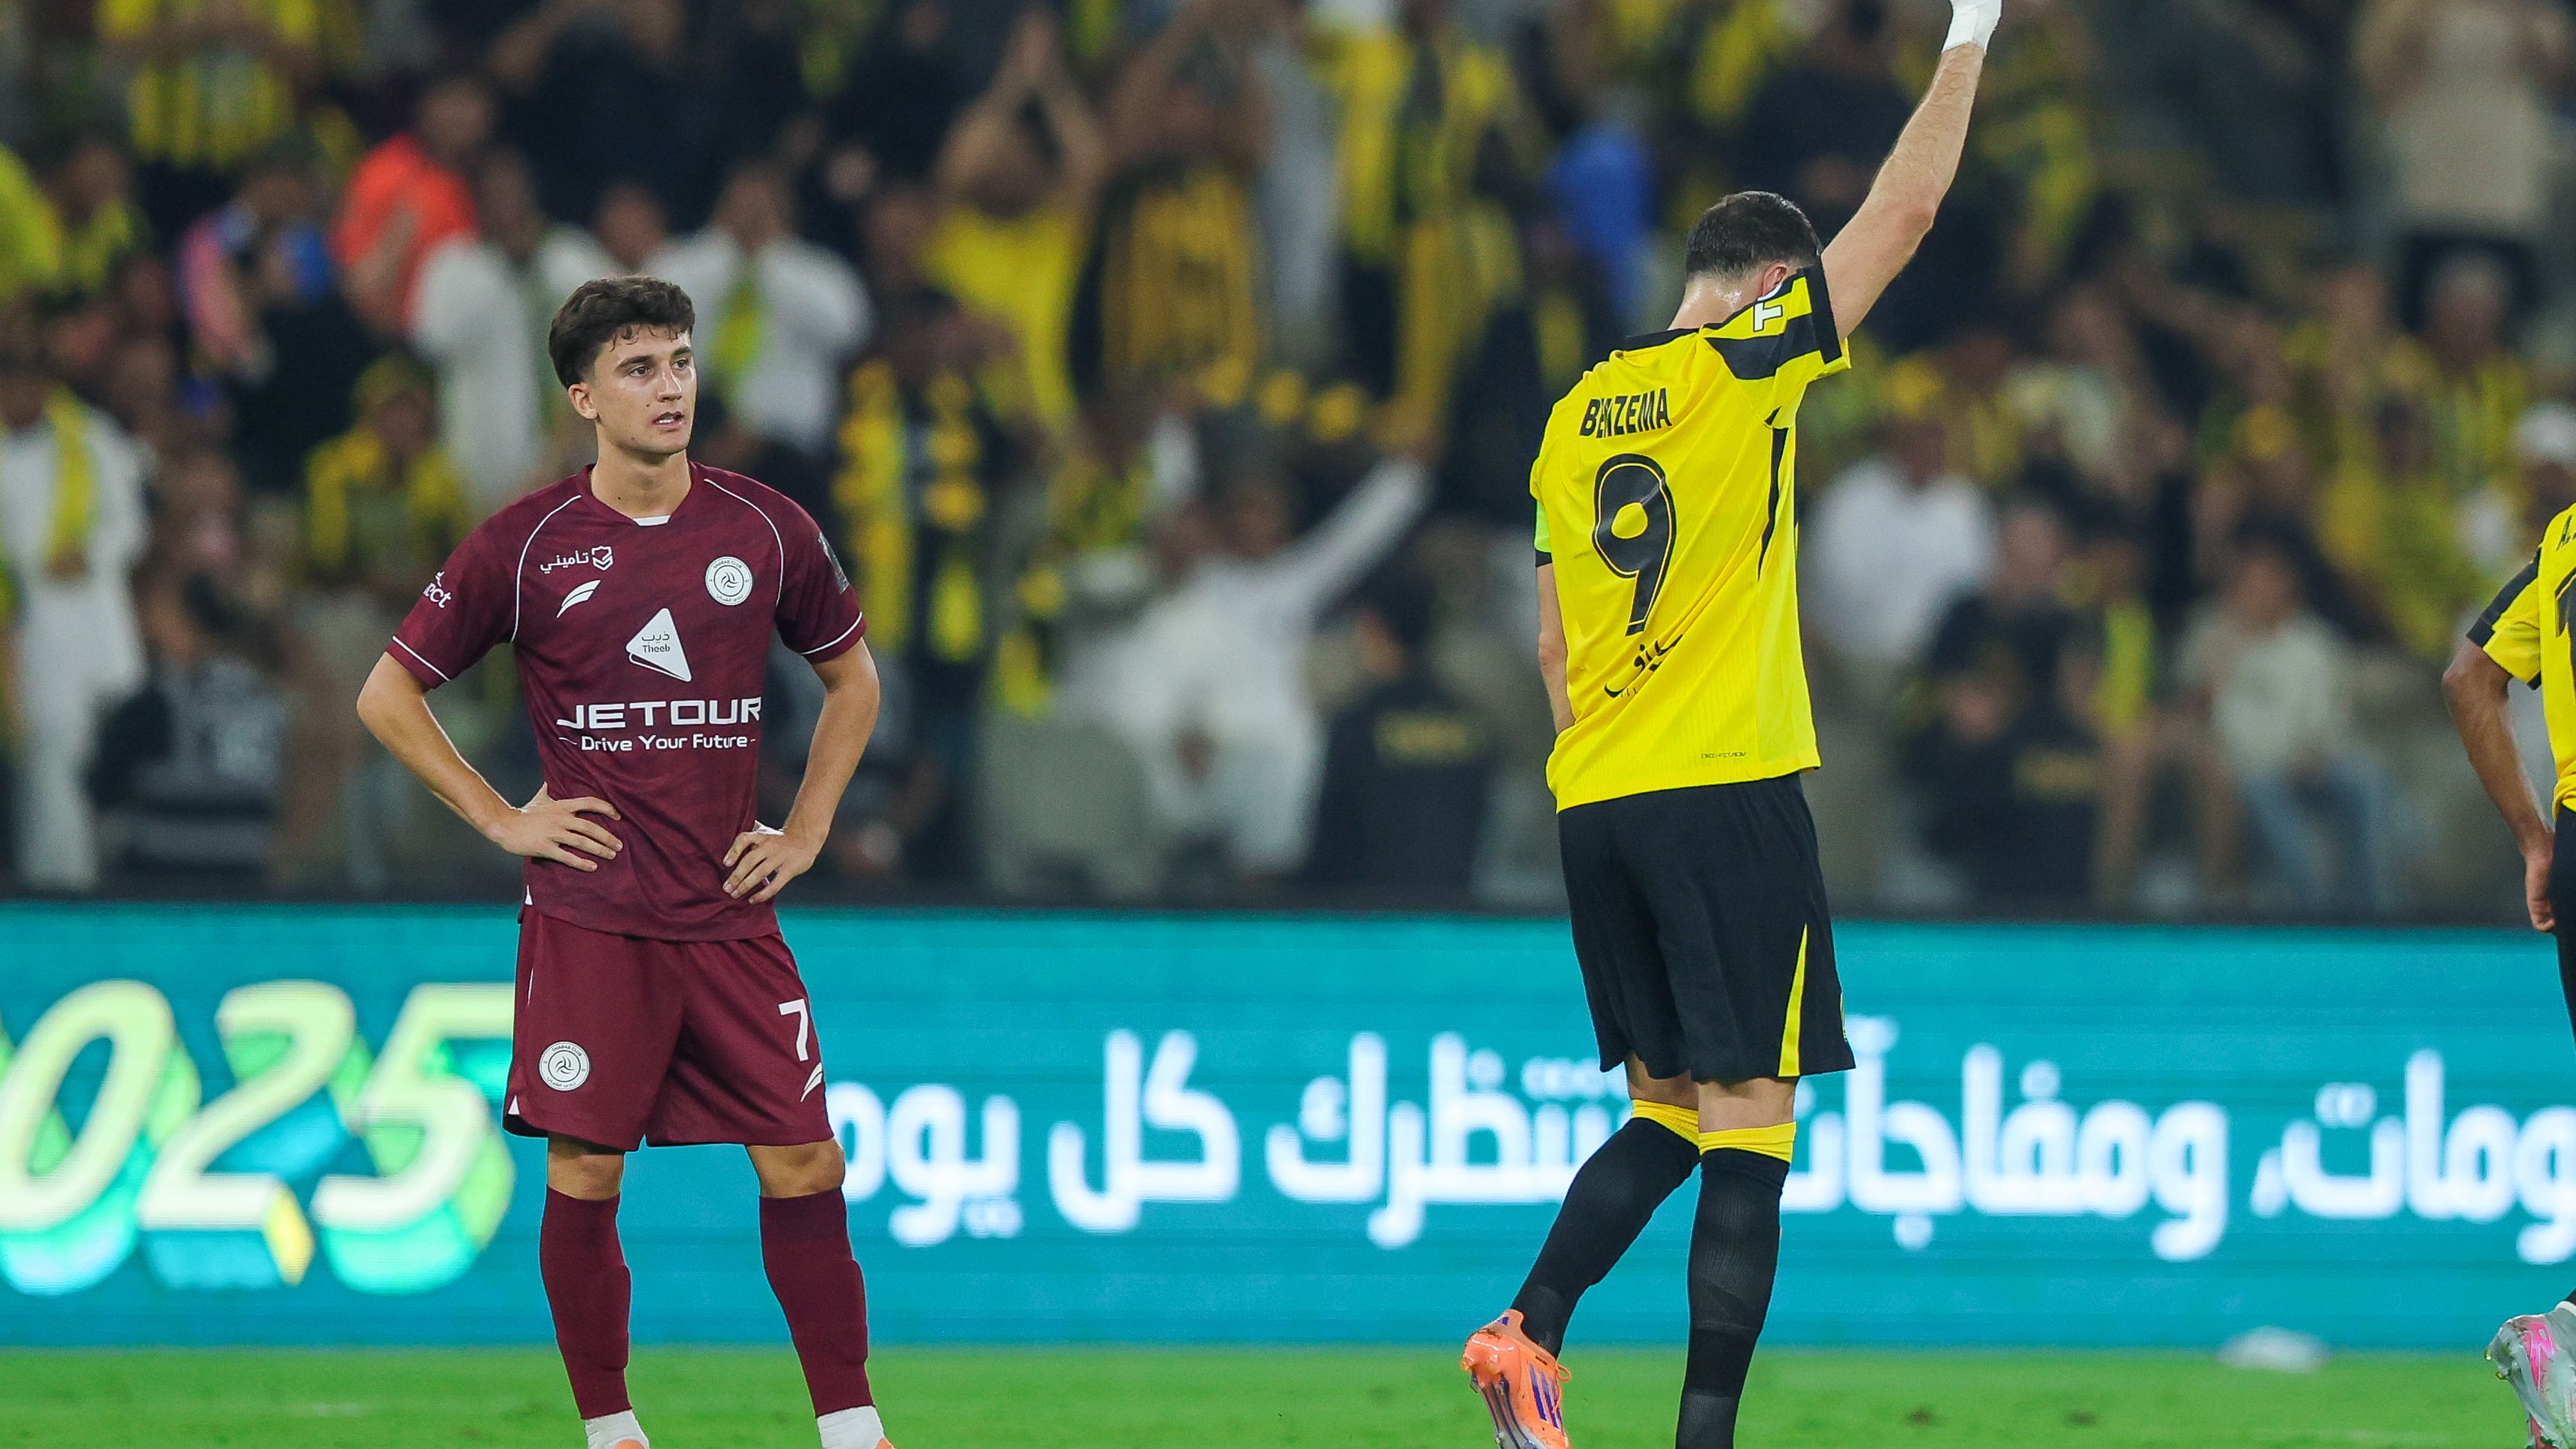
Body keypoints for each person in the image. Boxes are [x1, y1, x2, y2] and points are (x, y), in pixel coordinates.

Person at [1461, 4, 1997, 1446]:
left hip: (1601, 798)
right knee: (1755, 1133)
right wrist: (1976, 27)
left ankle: (1528, 1332)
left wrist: (1611, 756)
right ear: (1770, 283)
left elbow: (1552, 643)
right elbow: (1916, 204)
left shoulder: (1576, 416)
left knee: (1669, 1112)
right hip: (1725, 787)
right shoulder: (1745, 362)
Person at [352, 278, 893, 1449]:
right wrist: (502, 818)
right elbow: (386, 693)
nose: (671, 387)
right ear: (585, 396)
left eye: (683, 362)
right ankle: (611, 1428)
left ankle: (851, 1426)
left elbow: (854, 681)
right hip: (593, 915)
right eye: (642, 368)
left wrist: (801, 832)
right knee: (589, 1173)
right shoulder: (529, 543)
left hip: (729, 912)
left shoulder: (766, 528)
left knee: (806, 1157)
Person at [2447, 464, 2576, 1444]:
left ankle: (2562, 1392)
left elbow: (2467, 680)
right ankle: (2568, 1338)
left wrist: (2538, 838)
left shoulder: (2568, 537)